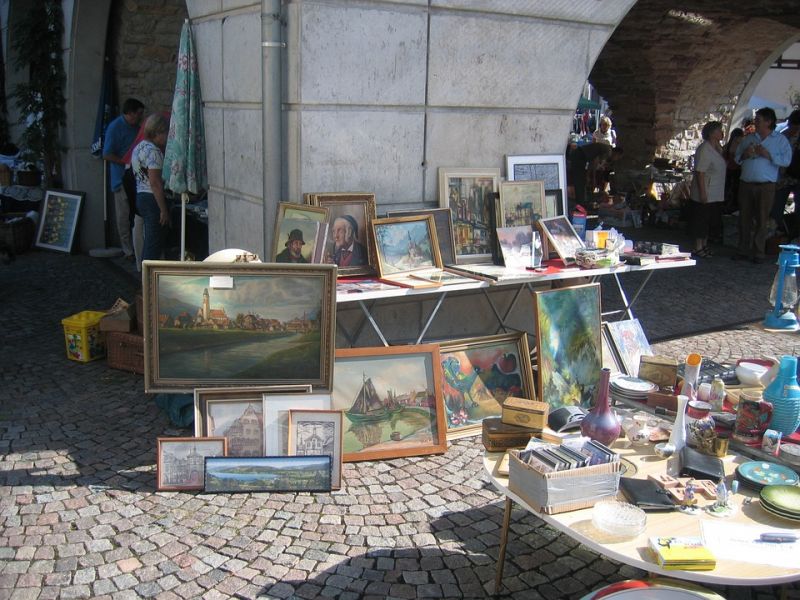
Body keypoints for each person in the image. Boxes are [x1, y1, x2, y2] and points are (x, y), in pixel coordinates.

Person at [733, 107, 793, 264]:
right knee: (744, 217)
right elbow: (737, 157)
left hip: (766, 185)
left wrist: (769, 155)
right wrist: (744, 155)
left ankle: (759, 251)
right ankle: (743, 249)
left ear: (769, 122)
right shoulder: (749, 138)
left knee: (762, 218)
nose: (756, 123)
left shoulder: (779, 140)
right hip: (746, 183)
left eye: (758, 120)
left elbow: (786, 160)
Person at [102, 98, 144, 259]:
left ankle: (138, 247)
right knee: (123, 215)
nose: (140, 117)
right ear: (131, 113)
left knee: (136, 215)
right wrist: (125, 161)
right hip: (121, 178)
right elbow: (107, 154)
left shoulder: (136, 128)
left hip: (136, 178)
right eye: (139, 114)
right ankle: (128, 249)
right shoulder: (115, 128)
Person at [132, 113, 170, 262]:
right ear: (158, 132)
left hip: (140, 195)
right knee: (153, 245)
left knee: (148, 241)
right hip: (151, 198)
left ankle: (145, 276)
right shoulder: (154, 152)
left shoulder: (138, 148)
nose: (167, 138)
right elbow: (155, 183)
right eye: (165, 133)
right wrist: (163, 209)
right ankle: (147, 282)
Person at [688, 121, 726, 258]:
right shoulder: (705, 149)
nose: (722, 133)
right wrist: (703, 193)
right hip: (706, 190)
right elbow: (700, 172)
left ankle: (704, 244)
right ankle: (698, 246)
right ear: (711, 133)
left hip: (716, 191)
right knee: (701, 219)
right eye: (719, 130)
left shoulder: (717, 148)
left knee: (710, 220)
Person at [770, 110, 800, 238]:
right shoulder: (783, 137)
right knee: (777, 208)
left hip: (795, 177)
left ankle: (794, 235)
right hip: (784, 178)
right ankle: (776, 235)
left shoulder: (784, 136)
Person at [567, 142, 622, 211]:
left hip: (580, 156)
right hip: (579, 156)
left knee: (581, 180)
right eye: (618, 157)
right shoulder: (608, 151)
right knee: (580, 180)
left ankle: (581, 203)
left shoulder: (607, 148)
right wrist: (591, 177)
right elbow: (594, 163)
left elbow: (593, 162)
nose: (616, 159)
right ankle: (580, 205)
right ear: (616, 154)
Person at [722, 127, 744, 215]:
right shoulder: (737, 146)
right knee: (732, 190)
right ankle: (730, 208)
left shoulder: (727, 146)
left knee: (730, 190)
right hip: (734, 171)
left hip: (730, 171)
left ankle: (728, 207)